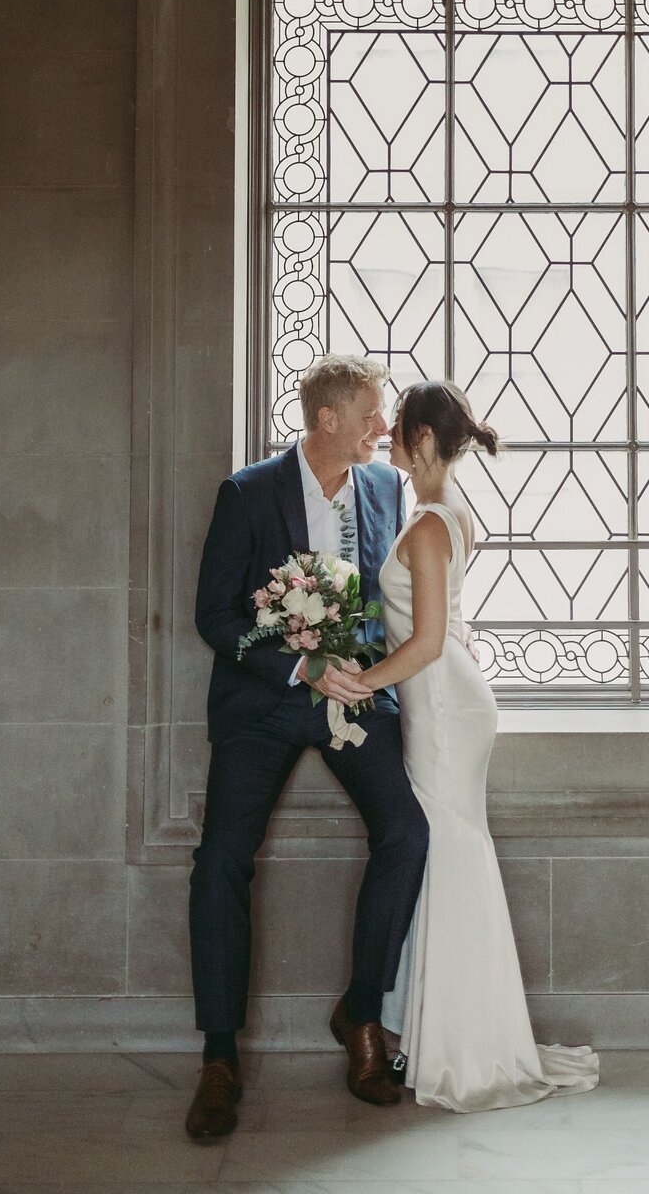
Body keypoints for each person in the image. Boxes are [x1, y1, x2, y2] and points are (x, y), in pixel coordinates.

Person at [184, 354, 428, 1141]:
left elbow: (397, 597)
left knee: (408, 832)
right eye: (370, 415)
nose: (381, 429)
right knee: (221, 856)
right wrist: (298, 666)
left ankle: (360, 1016)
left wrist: (384, 675)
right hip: (265, 704)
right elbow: (216, 616)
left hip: (356, 697)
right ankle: (219, 1058)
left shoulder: (388, 488)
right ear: (328, 419)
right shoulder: (248, 492)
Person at [353, 379, 600, 1112]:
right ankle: (438, 1034)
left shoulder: (429, 525)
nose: (390, 439)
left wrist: (360, 682)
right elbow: (449, 626)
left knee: (450, 856)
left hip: (440, 704)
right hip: (452, 698)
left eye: (399, 429)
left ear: (423, 440)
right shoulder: (454, 513)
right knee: (446, 854)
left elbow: (427, 641)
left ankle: (464, 1044)